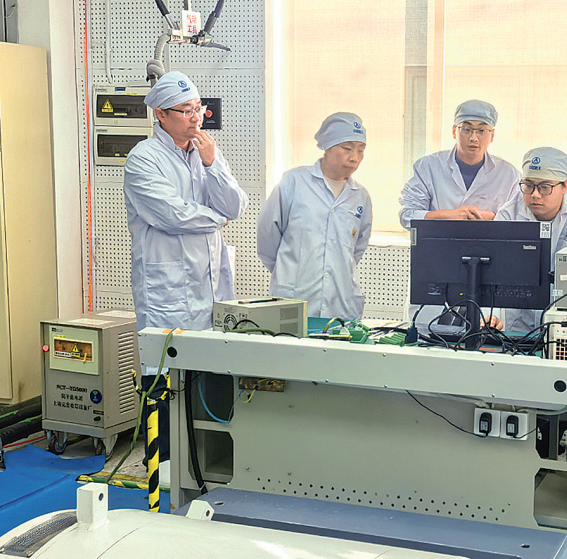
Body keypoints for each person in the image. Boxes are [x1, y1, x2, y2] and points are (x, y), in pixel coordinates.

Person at [124, 71, 249, 466]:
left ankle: (205, 466)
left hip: (210, 289)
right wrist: (216, 218)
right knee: (165, 379)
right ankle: (162, 469)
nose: (197, 118)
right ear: (161, 114)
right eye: (186, 110)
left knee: (209, 380)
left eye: (199, 108)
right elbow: (172, 215)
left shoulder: (205, 152)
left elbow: (236, 205)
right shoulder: (144, 158)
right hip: (168, 292)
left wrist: (213, 165)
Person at [256, 112, 373, 320]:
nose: (354, 157)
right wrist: (290, 273)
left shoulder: (360, 196)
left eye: (361, 150)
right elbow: (267, 240)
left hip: (342, 303)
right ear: (327, 147)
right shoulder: (294, 182)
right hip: (295, 296)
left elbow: (357, 249)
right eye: (347, 148)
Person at [492, 147, 567, 332]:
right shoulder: (508, 214)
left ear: (565, 186)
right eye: (528, 185)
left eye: (544, 187)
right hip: (520, 319)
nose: (535, 194)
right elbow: (493, 272)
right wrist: (490, 314)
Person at [398, 99, 520, 228]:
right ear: (454, 131)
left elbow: (520, 221)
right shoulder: (428, 167)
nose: (473, 138)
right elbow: (407, 216)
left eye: (481, 130)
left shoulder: (509, 174)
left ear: (492, 135)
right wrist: (450, 216)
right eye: (466, 129)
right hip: (439, 240)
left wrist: (493, 217)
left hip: (488, 241)